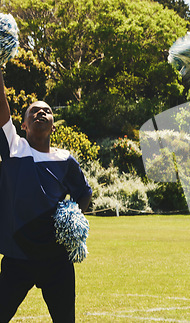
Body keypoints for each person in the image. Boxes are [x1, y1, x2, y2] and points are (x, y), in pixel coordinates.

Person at [0, 71, 92, 322]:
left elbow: (84, 193)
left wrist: (75, 214)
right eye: (34, 111)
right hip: (18, 255)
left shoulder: (65, 159)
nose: (41, 112)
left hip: (57, 258)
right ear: (24, 125)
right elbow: (2, 106)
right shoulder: (14, 148)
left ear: (53, 125)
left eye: (47, 111)